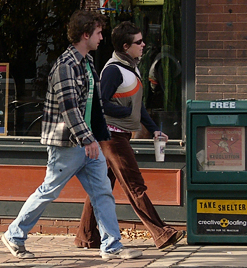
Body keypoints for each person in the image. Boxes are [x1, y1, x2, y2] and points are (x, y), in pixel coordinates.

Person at [1, 10, 142, 261]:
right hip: (67, 144)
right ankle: (14, 235)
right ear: (85, 34)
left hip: (88, 144)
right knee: (49, 191)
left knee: (102, 193)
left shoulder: (87, 63)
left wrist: (98, 138)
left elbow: (94, 105)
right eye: (98, 33)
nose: (101, 38)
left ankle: (111, 246)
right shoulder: (66, 66)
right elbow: (70, 109)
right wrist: (88, 139)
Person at [74, 21, 185, 250]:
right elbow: (100, 103)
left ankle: (86, 236)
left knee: (101, 187)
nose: (144, 45)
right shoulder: (114, 70)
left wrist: (153, 128)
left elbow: (138, 106)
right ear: (126, 46)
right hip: (112, 136)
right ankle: (160, 232)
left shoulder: (130, 68)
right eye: (139, 42)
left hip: (118, 136)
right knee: (135, 185)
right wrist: (125, 112)